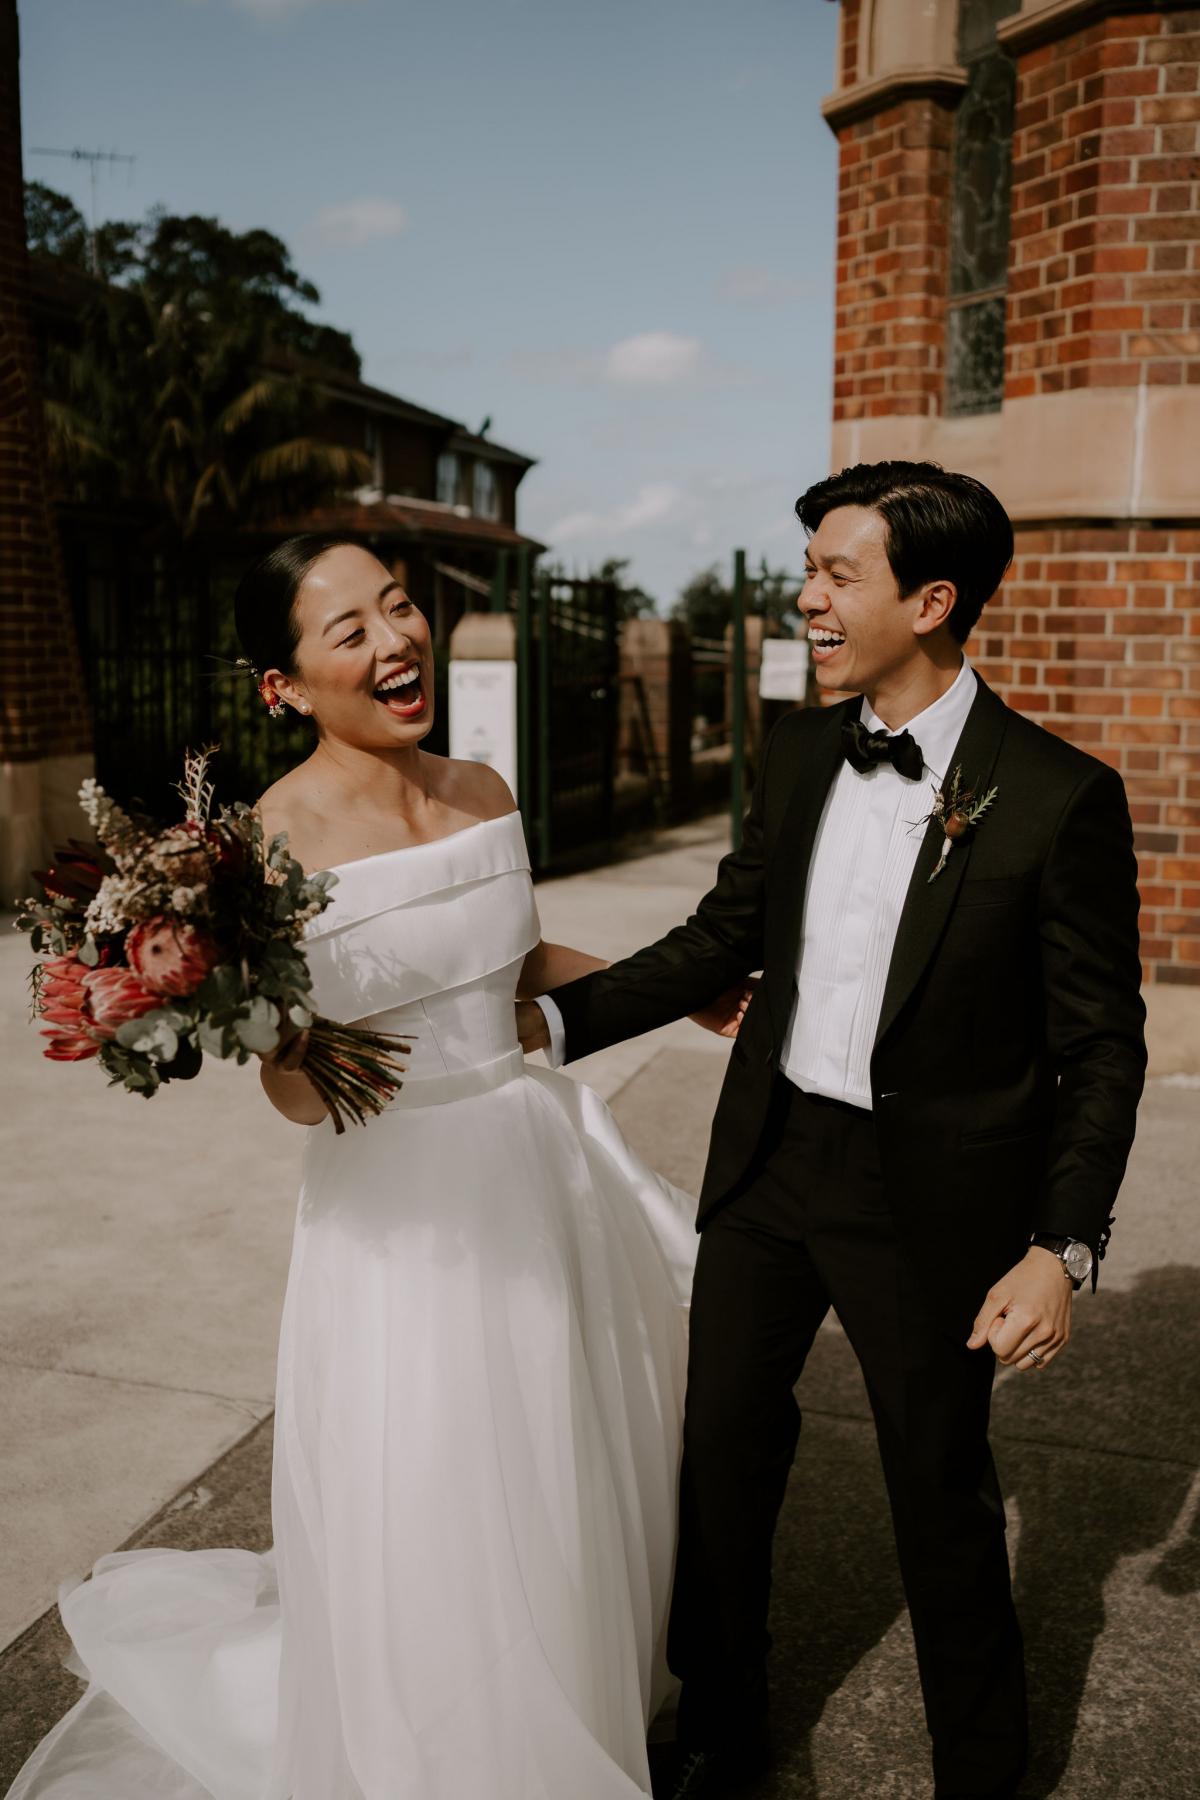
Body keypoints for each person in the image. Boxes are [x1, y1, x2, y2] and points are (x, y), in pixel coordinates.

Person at [6, 535, 743, 1800]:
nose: (395, 640)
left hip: (541, 1157)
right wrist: (247, 1011)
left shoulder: (486, 789)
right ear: (283, 686)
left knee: (567, 1445)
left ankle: (575, 1687)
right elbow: (298, 1098)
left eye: (400, 609)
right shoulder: (260, 851)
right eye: (349, 630)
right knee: (445, 1479)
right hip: (406, 1200)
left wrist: (675, 993)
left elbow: (500, 953)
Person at [521, 461, 1148, 1800]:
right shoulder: (803, 747)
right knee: (723, 1463)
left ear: (931, 600)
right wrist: (554, 1024)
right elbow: (721, 936)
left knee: (939, 1493)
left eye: (833, 574)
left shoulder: (1055, 797)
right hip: (767, 1163)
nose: (806, 598)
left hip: (933, 1199)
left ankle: (983, 1769)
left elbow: (1101, 1048)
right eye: (807, 570)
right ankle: (715, 1740)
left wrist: (1062, 1243)